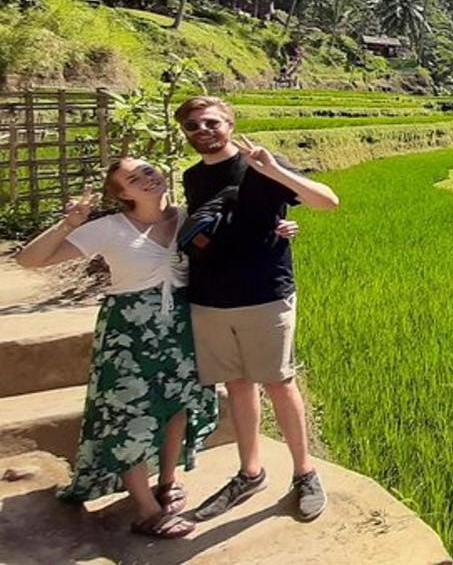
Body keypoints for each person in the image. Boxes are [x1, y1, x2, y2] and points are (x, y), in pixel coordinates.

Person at [14, 159, 292, 538]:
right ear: (121, 194)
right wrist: (69, 224)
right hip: (129, 331)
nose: (146, 178)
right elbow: (29, 261)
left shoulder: (186, 218)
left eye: (147, 170)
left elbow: (238, 239)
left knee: (176, 406)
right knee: (131, 414)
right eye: (133, 178)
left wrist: (279, 229)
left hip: (181, 322)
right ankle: (146, 510)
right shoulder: (108, 228)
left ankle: (167, 480)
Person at [174, 96, 339, 523]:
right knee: (237, 383)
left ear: (229, 123)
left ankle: (305, 473)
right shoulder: (192, 177)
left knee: (280, 383)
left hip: (265, 293)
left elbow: (327, 201)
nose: (202, 130)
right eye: (192, 126)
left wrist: (275, 169)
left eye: (210, 122)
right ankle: (250, 472)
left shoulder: (262, 166)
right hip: (209, 297)